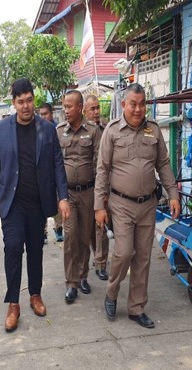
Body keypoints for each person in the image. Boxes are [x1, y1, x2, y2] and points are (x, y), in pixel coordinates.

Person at [0, 78, 70, 333]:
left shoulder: (47, 129)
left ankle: (35, 294)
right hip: (12, 203)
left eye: (29, 100)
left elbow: (57, 163)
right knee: (12, 248)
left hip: (37, 202)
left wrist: (63, 197)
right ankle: (13, 303)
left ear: (34, 100)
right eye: (20, 101)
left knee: (35, 250)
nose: (26, 106)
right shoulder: (1, 129)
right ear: (13, 103)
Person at [95, 83, 180, 329]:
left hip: (148, 204)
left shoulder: (153, 130)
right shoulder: (112, 131)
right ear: (123, 104)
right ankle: (111, 292)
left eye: (142, 104)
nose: (138, 109)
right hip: (121, 204)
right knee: (123, 253)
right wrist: (99, 206)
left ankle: (136, 308)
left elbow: (163, 164)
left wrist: (173, 194)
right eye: (133, 104)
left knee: (143, 257)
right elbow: (103, 170)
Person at [57, 90, 101, 303]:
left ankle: (83, 276)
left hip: (89, 192)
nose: (66, 110)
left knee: (84, 237)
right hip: (68, 194)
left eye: (69, 106)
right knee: (70, 236)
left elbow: (100, 164)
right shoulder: (59, 131)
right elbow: (56, 164)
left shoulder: (93, 131)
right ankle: (71, 282)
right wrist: (59, 195)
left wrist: (101, 196)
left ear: (80, 108)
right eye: (64, 106)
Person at [84, 95, 109, 281]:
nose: (96, 112)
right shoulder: (82, 130)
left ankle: (101, 264)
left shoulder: (107, 128)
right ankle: (88, 262)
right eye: (92, 109)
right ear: (84, 111)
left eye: (97, 107)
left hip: (103, 185)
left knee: (101, 226)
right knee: (88, 228)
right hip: (86, 186)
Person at [39, 102, 64, 243]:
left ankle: (58, 228)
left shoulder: (58, 129)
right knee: (41, 202)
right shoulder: (37, 131)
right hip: (43, 173)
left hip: (56, 171)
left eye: (46, 114)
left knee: (58, 201)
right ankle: (42, 232)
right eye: (41, 114)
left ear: (51, 113)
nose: (43, 117)